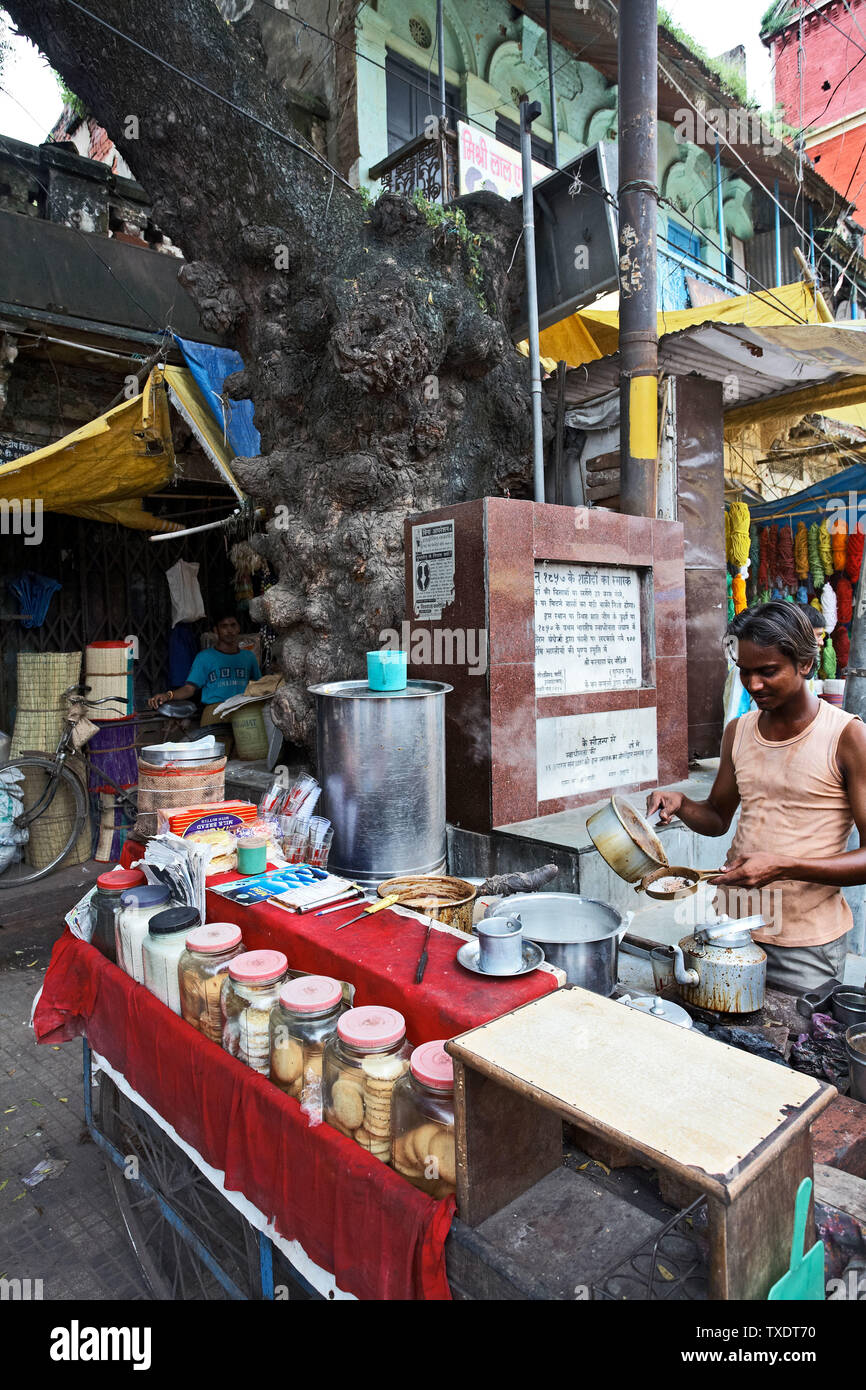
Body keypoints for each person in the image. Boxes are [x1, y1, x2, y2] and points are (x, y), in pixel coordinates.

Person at [647, 600, 866, 995]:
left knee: (795, 1050)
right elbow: (717, 817)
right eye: (744, 672)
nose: (753, 685)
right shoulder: (739, 731)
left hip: (804, 944)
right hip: (730, 926)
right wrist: (682, 803)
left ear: (805, 664)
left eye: (767, 672)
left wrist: (783, 866)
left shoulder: (847, 737)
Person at [149, 612, 261, 751]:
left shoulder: (248, 657)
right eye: (224, 626)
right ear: (216, 630)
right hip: (215, 711)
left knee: (249, 756)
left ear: (238, 628)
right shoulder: (204, 657)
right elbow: (189, 688)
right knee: (212, 758)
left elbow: (258, 685)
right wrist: (168, 695)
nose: (229, 630)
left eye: (233, 625)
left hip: (244, 711)